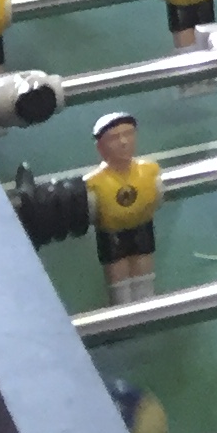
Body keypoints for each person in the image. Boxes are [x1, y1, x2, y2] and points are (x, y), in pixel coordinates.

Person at [86, 113, 162, 303]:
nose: (123, 142)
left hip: (142, 227)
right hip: (111, 234)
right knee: (118, 275)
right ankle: (123, 311)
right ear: (100, 147)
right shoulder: (94, 182)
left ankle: (148, 309)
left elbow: (158, 199)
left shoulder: (149, 171)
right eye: (114, 137)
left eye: (128, 134)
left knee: (143, 272)